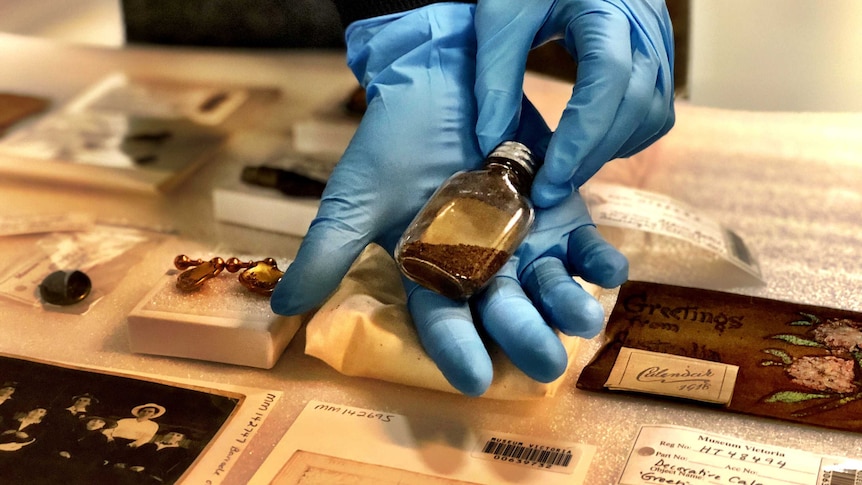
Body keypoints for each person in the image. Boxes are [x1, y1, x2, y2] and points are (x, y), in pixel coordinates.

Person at [271, 0, 675, 396]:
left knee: (618, 73)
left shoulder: (516, 202)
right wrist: (414, 28)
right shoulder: (472, 182)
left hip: (543, 43)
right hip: (277, 47)